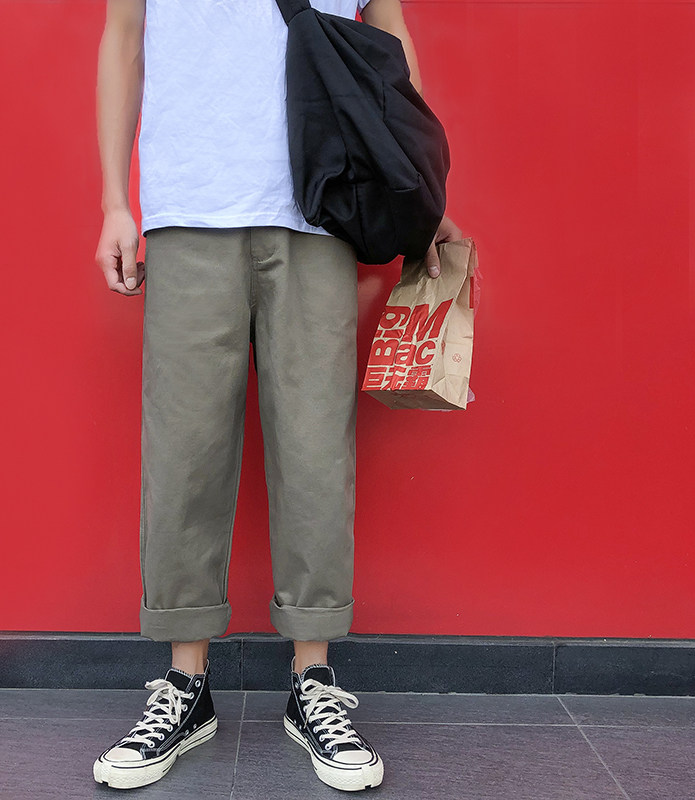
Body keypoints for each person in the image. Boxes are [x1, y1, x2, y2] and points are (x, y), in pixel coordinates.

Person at [91, 0, 463, 792]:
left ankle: (312, 679)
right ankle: (184, 683)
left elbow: (390, 36)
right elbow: (124, 36)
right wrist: (115, 202)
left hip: (320, 209)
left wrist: (419, 188)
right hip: (189, 206)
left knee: (315, 449)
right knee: (184, 452)